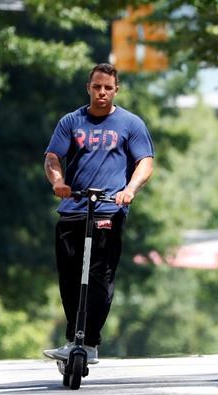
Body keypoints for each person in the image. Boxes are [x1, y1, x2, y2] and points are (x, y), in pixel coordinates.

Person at [43, 63, 154, 364]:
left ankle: (89, 342)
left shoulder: (130, 124)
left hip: (108, 210)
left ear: (116, 90)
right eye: (96, 87)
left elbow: (145, 162)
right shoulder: (71, 122)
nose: (101, 92)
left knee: (100, 278)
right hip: (73, 209)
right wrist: (58, 182)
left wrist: (129, 190)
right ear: (88, 88)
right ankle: (73, 339)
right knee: (70, 277)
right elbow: (53, 157)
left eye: (107, 87)